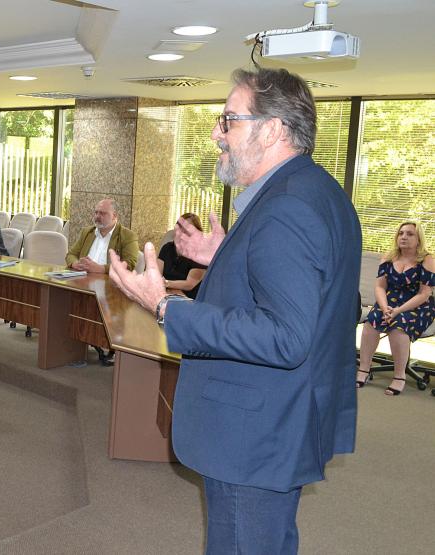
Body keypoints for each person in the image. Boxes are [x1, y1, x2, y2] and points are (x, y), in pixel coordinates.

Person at [107, 67, 361, 554]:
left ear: (272, 130)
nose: (215, 133)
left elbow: (286, 336)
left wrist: (164, 306)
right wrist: (223, 256)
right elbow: (314, 292)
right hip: (280, 419)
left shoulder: (286, 208)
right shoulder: (315, 191)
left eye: (228, 120)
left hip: (256, 431)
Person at [357, 222, 435, 395]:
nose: (404, 237)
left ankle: (399, 376)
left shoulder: (427, 259)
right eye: (401, 233)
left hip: (418, 304)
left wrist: (397, 311)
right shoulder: (389, 256)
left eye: (409, 234)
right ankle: (364, 369)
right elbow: (379, 287)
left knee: (398, 325)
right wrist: (385, 308)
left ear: (418, 239)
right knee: (372, 321)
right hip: (390, 302)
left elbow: (424, 294)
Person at [65, 198, 138, 273]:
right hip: (82, 280)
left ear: (114, 216)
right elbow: (71, 254)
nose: (97, 216)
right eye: (96, 213)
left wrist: (101, 269)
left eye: (102, 213)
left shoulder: (128, 236)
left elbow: (129, 264)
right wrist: (75, 263)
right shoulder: (87, 232)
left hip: (108, 282)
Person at [158, 213, 207, 299]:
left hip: (188, 299)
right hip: (165, 293)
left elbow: (190, 284)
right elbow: (157, 274)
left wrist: (166, 284)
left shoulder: (200, 254)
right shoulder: (167, 248)